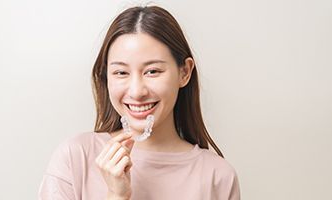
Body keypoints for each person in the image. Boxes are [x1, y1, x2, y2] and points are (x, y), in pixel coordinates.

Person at [39, 5, 240, 200]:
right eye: (121, 73)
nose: (137, 92)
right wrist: (116, 196)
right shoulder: (75, 157)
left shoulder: (218, 177)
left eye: (152, 71)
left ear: (184, 72)